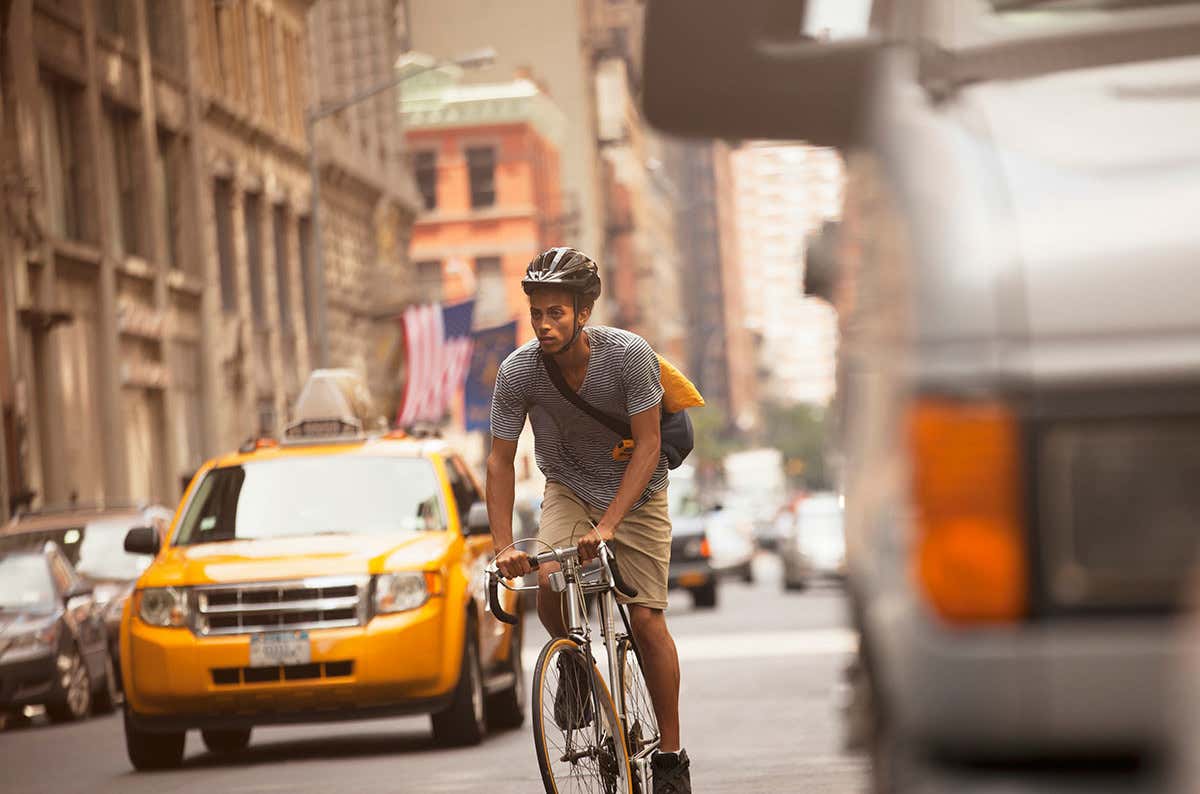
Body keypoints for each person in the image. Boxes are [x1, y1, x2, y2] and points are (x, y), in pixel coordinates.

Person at [487, 247, 692, 794]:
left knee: (647, 621)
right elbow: (499, 460)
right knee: (550, 576)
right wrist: (504, 544)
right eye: (537, 313)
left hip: (638, 490)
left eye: (556, 312)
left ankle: (671, 756)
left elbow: (650, 446)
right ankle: (575, 663)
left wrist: (610, 526)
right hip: (570, 489)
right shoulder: (518, 372)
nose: (544, 324)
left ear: (583, 313)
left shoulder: (628, 356)